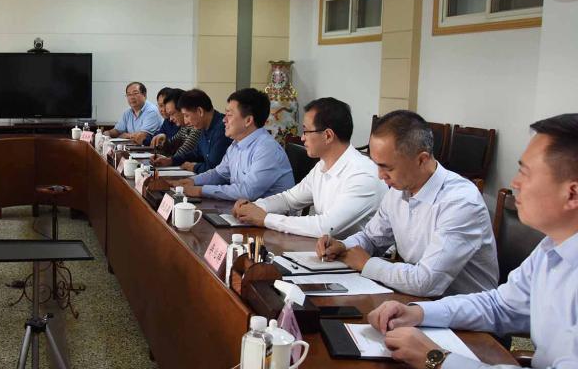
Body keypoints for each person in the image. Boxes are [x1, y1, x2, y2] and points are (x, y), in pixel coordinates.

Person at [366, 114, 578, 369]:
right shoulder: (552, 247)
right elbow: (500, 306)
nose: (514, 183)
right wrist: (418, 312)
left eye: (525, 172)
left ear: (572, 194)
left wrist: (436, 359)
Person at [317, 110, 497, 298]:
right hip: (416, 300)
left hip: (462, 310)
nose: (380, 175)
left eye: (387, 167)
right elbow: (372, 238)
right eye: (377, 165)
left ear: (421, 160)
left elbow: (426, 282)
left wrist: (366, 264)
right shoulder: (398, 189)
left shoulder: (461, 202)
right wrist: (343, 246)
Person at [233, 97, 386, 237]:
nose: (302, 137)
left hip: (361, 256)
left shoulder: (363, 175)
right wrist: (253, 207)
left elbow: (325, 227)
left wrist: (266, 219)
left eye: (306, 131)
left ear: (328, 135)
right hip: (329, 250)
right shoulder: (322, 165)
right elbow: (288, 199)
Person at [170, 89, 293, 201]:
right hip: (245, 210)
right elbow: (219, 173)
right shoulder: (236, 144)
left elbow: (247, 192)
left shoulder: (267, 149)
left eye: (229, 115)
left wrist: (201, 190)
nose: (224, 120)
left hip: (271, 216)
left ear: (248, 120)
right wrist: (191, 181)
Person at [152, 89, 231, 174]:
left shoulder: (223, 129)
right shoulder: (203, 126)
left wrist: (194, 167)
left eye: (186, 115)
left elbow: (215, 168)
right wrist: (170, 160)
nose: (185, 122)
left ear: (200, 111)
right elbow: (196, 154)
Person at [151, 88, 201, 158]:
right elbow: (170, 146)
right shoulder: (185, 127)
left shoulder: (197, 127)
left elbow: (179, 156)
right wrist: (164, 141)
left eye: (172, 114)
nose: (170, 119)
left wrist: (167, 159)